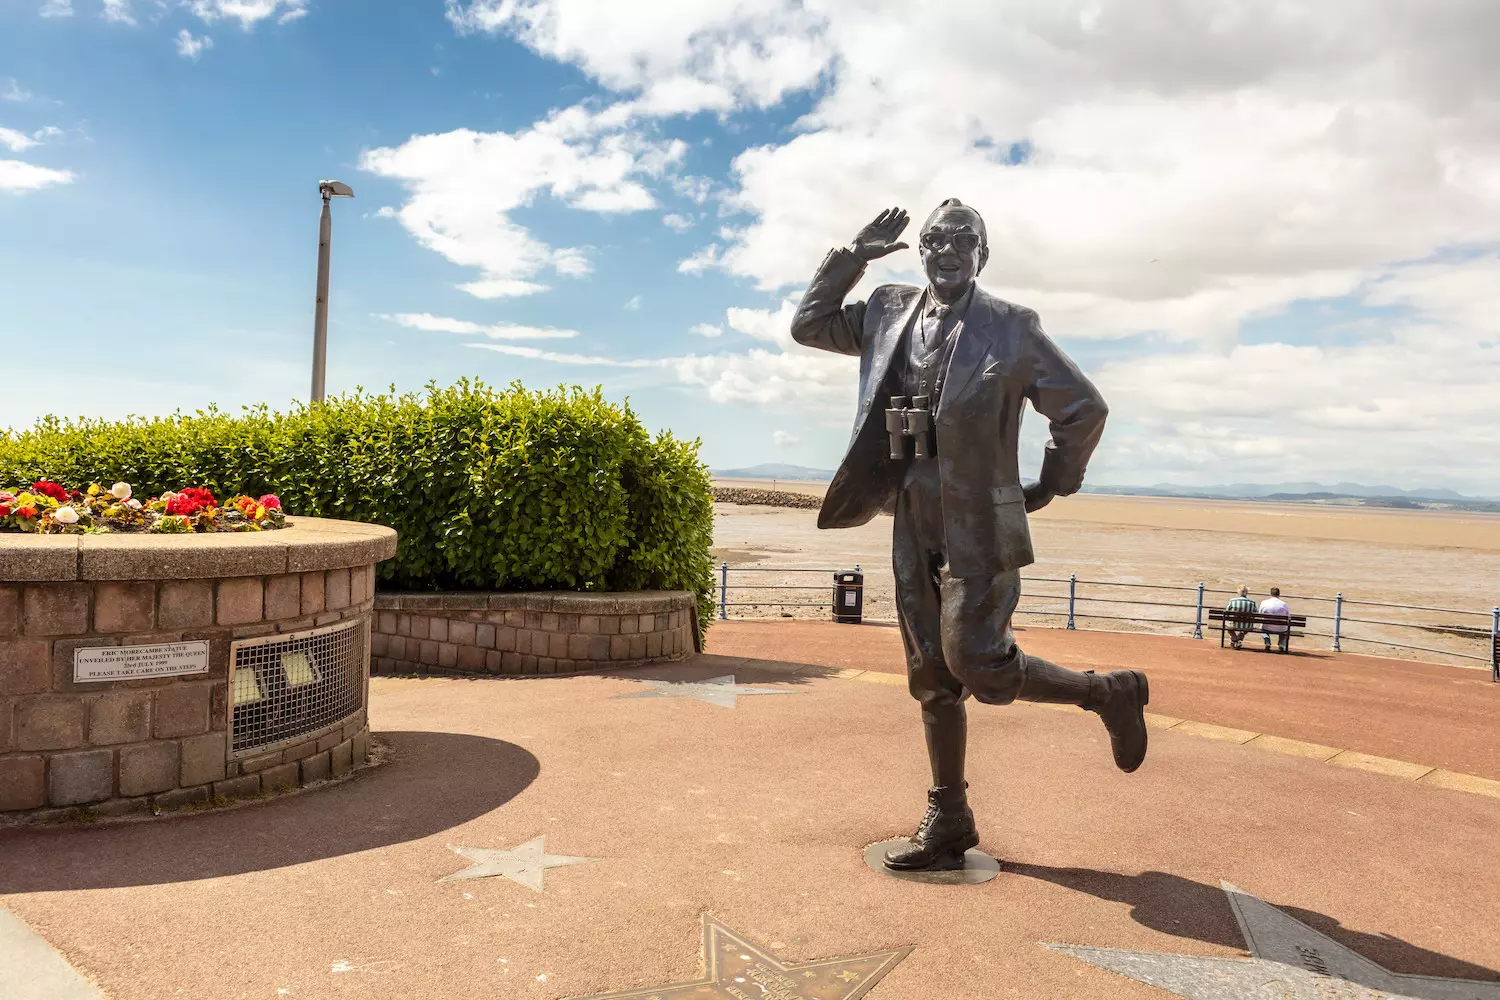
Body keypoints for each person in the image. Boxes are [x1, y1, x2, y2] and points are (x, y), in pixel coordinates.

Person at [790, 200, 1148, 872]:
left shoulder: (1011, 328)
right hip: (910, 510)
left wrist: (1049, 484)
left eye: (961, 240)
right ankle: (949, 818)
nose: (945, 250)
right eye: (932, 240)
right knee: (931, 675)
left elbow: (1083, 407)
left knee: (976, 661)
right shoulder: (887, 309)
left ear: (984, 253)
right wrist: (854, 259)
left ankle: (1108, 693)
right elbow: (809, 326)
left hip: (979, 517)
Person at [1258, 587, 1292, 653]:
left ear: (1270, 594)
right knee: (1284, 630)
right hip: (1281, 628)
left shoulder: (1264, 602)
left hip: (1266, 626)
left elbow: (1260, 613)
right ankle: (1281, 645)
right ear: (1279, 594)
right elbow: (1288, 616)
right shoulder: (1284, 604)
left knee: (1262, 628)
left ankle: (1267, 642)